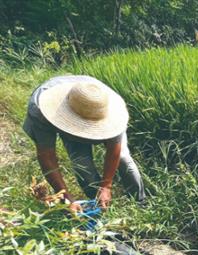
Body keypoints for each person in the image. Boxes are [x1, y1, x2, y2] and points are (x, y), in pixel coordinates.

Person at [22, 75, 145, 212]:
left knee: (123, 158)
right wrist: (66, 198)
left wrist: (106, 186)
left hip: (91, 102)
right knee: (82, 165)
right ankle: (99, 206)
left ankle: (140, 203)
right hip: (63, 109)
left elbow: (114, 148)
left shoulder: (106, 106)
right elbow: (47, 156)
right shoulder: (41, 109)